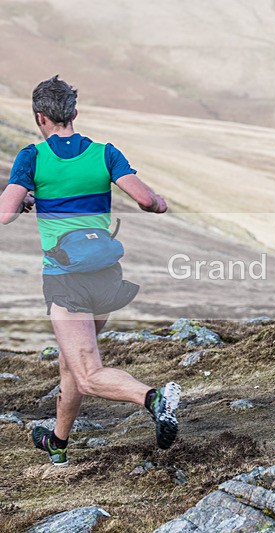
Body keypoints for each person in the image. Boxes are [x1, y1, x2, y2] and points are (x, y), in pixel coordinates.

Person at [0, 75, 180, 466]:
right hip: (105, 275)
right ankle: (58, 443)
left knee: (87, 373)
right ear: (74, 114)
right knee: (72, 362)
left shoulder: (32, 157)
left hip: (67, 280)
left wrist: (28, 196)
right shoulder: (104, 153)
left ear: (40, 117)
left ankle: (154, 398)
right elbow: (147, 200)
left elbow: (5, 214)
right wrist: (160, 204)